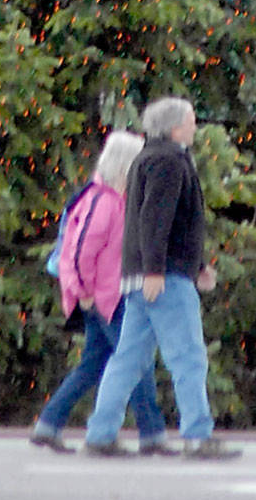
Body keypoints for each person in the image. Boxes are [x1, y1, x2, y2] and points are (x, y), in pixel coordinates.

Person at [82, 97, 241, 461]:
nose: (195, 125)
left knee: (128, 359)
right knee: (188, 357)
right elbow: (156, 219)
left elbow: (164, 222)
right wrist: (156, 269)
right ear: (174, 127)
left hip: (144, 276)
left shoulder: (149, 158)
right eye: (190, 119)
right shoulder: (169, 162)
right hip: (164, 278)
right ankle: (198, 436)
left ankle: (100, 434)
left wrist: (196, 265)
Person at [30, 130, 173, 455]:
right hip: (105, 299)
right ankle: (151, 435)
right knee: (136, 362)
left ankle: (48, 424)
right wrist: (83, 292)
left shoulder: (115, 200)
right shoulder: (102, 202)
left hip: (107, 296)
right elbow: (80, 252)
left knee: (93, 364)